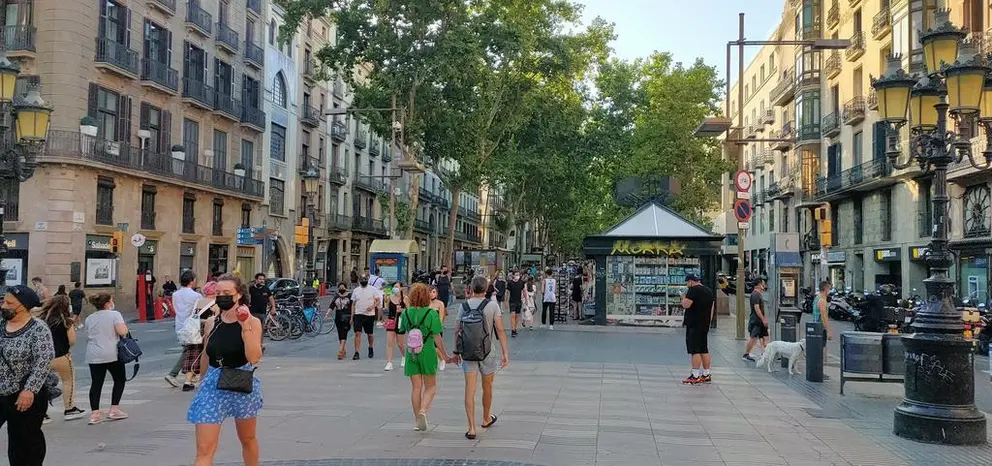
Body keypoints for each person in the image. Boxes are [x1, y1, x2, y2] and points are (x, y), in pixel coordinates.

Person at [187, 273, 264, 466]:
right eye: (218, 292)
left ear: (238, 295)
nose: (222, 296)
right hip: (214, 382)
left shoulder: (252, 322)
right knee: (205, 449)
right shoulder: (212, 322)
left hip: (241, 379)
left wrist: (245, 326)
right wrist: (202, 381)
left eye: (227, 293)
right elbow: (206, 353)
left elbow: (254, 357)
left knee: (247, 439)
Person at [0, 285, 53, 465]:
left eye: (9, 303)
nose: (3, 306)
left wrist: (29, 390)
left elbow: (43, 360)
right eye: (3, 301)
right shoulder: (1, 324)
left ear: (23, 306)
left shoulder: (38, 328)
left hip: (24, 394)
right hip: (1, 392)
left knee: (24, 442)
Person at [452, 275, 509, 440]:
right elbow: (500, 330)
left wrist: (456, 352)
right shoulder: (492, 306)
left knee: (469, 390)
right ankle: (485, 418)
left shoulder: (464, 306)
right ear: (486, 289)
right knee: (487, 387)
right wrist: (505, 353)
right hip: (488, 352)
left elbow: (457, 330)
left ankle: (471, 428)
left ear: (471, 288)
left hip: (468, 353)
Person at [400, 283, 452, 431]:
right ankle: (423, 411)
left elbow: (402, 329)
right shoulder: (431, 314)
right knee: (431, 386)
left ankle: (417, 419)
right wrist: (444, 355)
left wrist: (408, 307)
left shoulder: (406, 313)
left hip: (412, 353)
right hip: (428, 351)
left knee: (416, 387)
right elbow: (437, 337)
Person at [36, 295, 86, 422]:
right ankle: (70, 409)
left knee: (41, 385)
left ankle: (41, 413)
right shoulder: (67, 321)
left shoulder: (41, 320)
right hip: (62, 356)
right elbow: (72, 341)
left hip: (44, 357)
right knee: (68, 381)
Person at [84, 292, 130, 425]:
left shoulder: (89, 318)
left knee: (96, 382)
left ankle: (95, 413)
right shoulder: (115, 314)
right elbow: (122, 331)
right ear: (107, 303)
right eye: (111, 301)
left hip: (94, 354)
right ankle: (114, 409)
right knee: (119, 379)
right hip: (111, 352)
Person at [166, 270, 203, 387]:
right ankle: (174, 374)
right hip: (193, 325)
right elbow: (200, 310)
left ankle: (187, 375)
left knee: (188, 350)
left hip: (180, 324)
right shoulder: (196, 296)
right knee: (191, 351)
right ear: (192, 282)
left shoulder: (175, 294)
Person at [180, 281, 218, 392]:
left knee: (192, 354)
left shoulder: (198, 302)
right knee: (206, 354)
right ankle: (204, 379)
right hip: (207, 329)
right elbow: (215, 318)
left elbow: (194, 316)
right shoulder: (215, 303)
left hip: (195, 330)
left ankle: (187, 381)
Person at [680, 274, 716, 384]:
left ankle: (695, 375)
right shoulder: (708, 290)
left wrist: (682, 297)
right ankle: (706, 374)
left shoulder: (693, 290)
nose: (687, 285)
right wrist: (708, 321)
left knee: (694, 350)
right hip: (704, 324)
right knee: (703, 349)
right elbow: (712, 307)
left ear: (691, 281)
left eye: (687, 282)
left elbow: (686, 305)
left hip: (694, 324)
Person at [351, 274, 381, 360]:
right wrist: (352, 316)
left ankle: (370, 347)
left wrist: (372, 307)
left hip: (369, 315)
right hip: (358, 314)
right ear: (359, 281)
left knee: (370, 334)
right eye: (362, 280)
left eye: (365, 280)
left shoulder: (372, 289)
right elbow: (353, 304)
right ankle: (356, 352)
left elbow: (378, 300)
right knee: (357, 333)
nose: (363, 281)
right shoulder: (356, 290)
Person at [743, 278, 769, 362]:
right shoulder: (755, 295)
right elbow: (757, 308)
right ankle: (746, 354)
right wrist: (763, 319)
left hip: (759, 320)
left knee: (764, 336)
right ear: (759, 284)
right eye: (763, 283)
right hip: (757, 320)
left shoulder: (758, 294)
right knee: (754, 337)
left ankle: (765, 353)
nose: (764, 284)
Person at [383, 282, 408, 371]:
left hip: (401, 321)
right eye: (394, 286)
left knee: (400, 343)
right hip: (391, 320)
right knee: (390, 342)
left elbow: (409, 310)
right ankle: (389, 362)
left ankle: (405, 356)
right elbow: (385, 309)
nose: (395, 288)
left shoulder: (405, 298)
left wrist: (403, 310)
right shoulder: (389, 297)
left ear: (401, 288)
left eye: (397, 286)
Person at [428, 285, 448, 371]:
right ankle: (433, 362)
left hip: (436, 328)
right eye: (430, 292)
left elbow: (441, 318)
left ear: (436, 293)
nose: (432, 294)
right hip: (426, 328)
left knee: (436, 347)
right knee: (429, 346)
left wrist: (436, 327)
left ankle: (442, 359)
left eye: (433, 292)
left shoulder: (440, 304)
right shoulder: (425, 303)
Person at [331, 282, 353, 360]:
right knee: (340, 333)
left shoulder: (350, 296)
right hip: (338, 317)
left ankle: (340, 351)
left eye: (343, 288)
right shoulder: (336, 296)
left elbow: (353, 307)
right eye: (340, 288)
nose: (341, 289)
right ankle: (343, 350)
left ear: (346, 288)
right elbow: (332, 305)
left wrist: (352, 317)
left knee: (344, 332)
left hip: (347, 317)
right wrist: (327, 313)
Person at [813, 280, 834, 346]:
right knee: (821, 348)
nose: (829, 291)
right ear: (826, 289)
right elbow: (823, 317)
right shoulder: (822, 300)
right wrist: (828, 331)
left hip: (816, 326)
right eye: (829, 289)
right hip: (820, 328)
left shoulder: (817, 298)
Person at [506, 270, 525, 337]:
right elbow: (507, 292)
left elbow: (524, 291)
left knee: (517, 317)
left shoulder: (521, 283)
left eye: (518, 275)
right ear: (513, 275)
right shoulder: (510, 283)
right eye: (516, 274)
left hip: (519, 301)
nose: (517, 276)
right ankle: (513, 330)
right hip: (512, 301)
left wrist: (526, 300)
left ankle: (514, 328)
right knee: (512, 316)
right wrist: (505, 301)